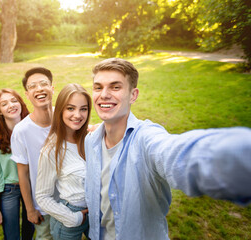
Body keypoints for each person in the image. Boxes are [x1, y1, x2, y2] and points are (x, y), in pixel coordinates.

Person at [84, 58, 251, 240]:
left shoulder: (146, 139)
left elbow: (175, 154)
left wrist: (239, 157)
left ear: (133, 95)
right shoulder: (90, 141)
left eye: (115, 87)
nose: (104, 95)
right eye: (98, 87)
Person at [36, 84, 91, 240]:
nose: (78, 115)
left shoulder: (91, 139)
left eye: (83, 109)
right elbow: (42, 196)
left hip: (95, 212)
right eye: (71, 108)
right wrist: (74, 218)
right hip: (70, 216)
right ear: (60, 110)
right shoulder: (51, 150)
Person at [11, 67, 54, 239]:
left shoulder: (66, 116)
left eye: (44, 84)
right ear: (27, 94)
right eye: (33, 86)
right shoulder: (21, 130)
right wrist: (30, 209)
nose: (39, 89)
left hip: (71, 201)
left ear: (52, 88)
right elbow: (23, 173)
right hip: (43, 206)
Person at [0, 88, 34, 240]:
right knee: (11, 235)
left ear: (20, 103)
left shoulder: (32, 129)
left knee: (30, 229)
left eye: (14, 100)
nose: (11, 105)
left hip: (32, 185)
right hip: (9, 189)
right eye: (4, 104)